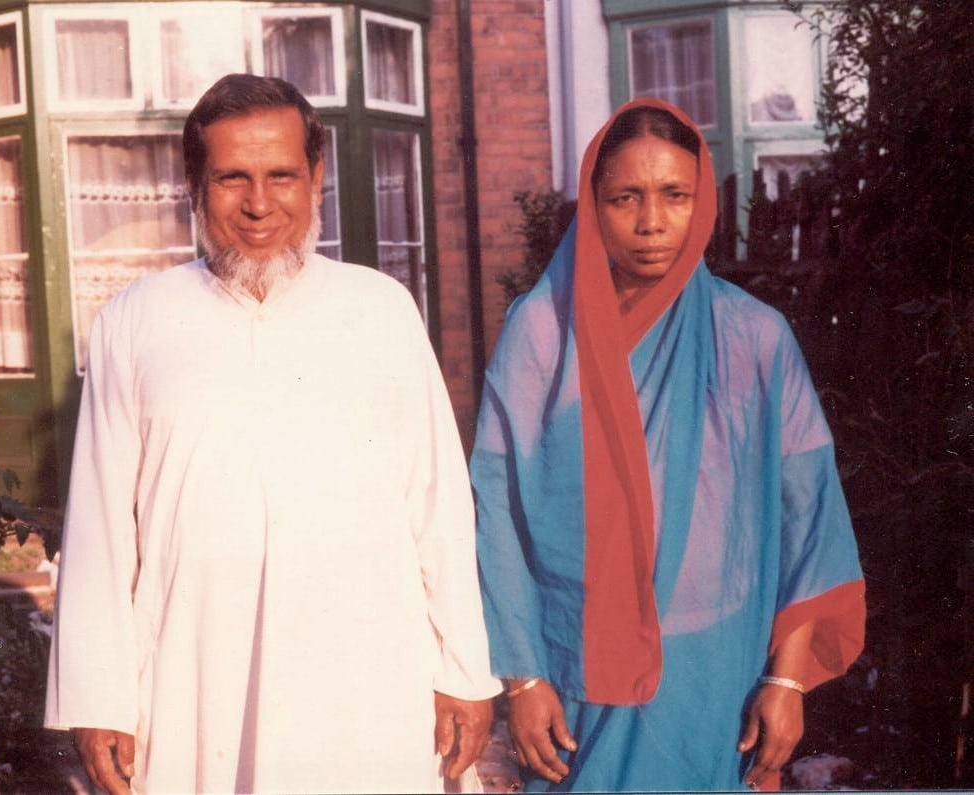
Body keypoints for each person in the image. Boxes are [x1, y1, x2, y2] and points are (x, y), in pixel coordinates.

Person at [45, 74, 499, 794]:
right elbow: (102, 527)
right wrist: (99, 698)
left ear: (315, 177)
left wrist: (465, 669)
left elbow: (437, 506)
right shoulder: (134, 321)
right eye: (232, 177)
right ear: (194, 182)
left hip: (367, 672)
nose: (260, 204)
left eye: (281, 175)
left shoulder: (380, 311)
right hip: (197, 677)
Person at [471, 97, 866, 792]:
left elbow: (809, 514)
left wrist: (787, 676)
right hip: (577, 669)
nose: (652, 222)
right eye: (626, 197)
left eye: (674, 195)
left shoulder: (754, 337)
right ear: (593, 204)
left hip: (719, 671)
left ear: (702, 199)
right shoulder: (540, 333)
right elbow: (494, 512)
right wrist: (523, 675)